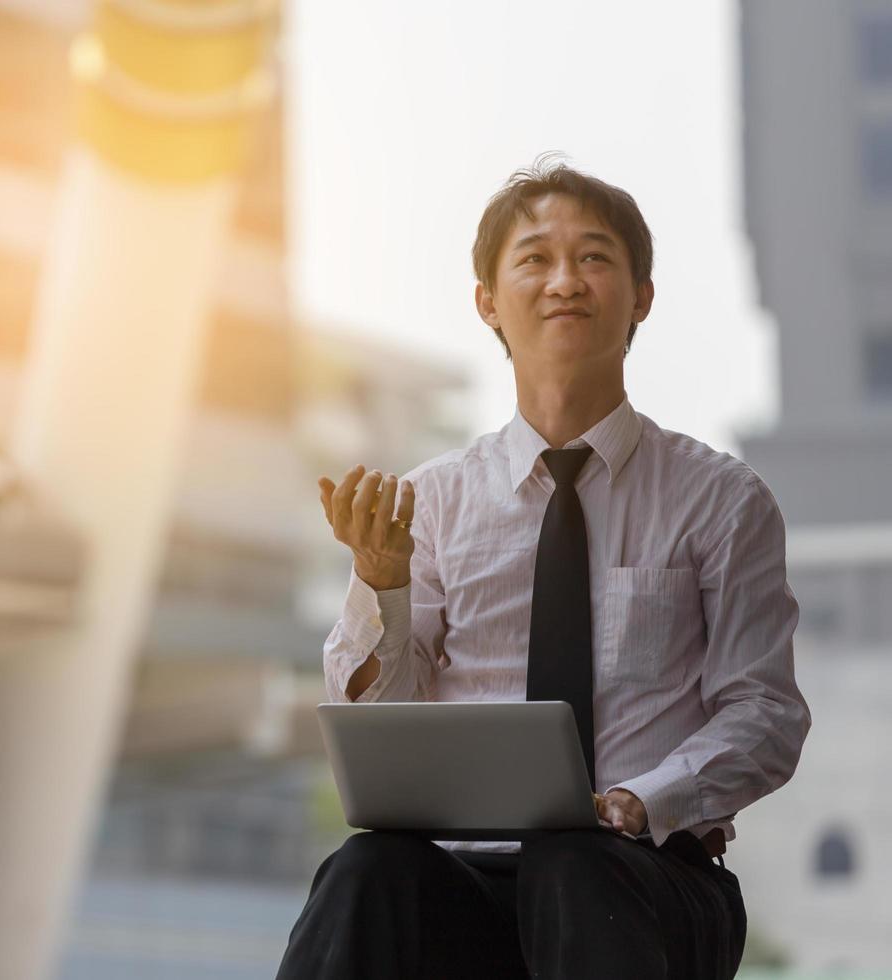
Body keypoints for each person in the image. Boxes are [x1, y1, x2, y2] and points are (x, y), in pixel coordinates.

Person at [276, 159, 811, 979]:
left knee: (574, 862)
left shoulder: (721, 501)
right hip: (468, 880)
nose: (565, 281)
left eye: (594, 258)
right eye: (534, 259)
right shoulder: (432, 503)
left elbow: (765, 713)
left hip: (650, 877)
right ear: (488, 301)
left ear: (642, 297)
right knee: (366, 871)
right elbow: (384, 728)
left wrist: (645, 802)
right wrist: (386, 584)